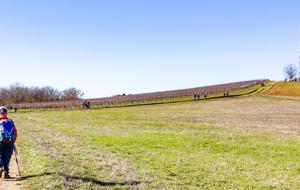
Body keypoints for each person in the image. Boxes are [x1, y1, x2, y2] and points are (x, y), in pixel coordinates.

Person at [0, 106, 17, 179]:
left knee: (0, 156)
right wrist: (13, 141)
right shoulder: (10, 121)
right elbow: (15, 133)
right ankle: (6, 173)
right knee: (7, 157)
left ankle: (0, 165)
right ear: (6, 113)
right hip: (10, 142)